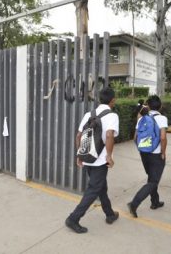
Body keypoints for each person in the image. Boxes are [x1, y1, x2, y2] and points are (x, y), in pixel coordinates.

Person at [65, 87, 120, 234]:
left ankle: (109, 214)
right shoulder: (112, 116)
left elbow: (78, 136)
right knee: (93, 190)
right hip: (100, 161)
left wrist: (80, 155)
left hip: (88, 157)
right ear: (112, 100)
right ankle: (73, 218)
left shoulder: (89, 114)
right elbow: (109, 136)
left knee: (101, 188)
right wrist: (109, 156)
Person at [127, 95, 168, 218]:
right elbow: (163, 137)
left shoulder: (141, 118)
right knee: (153, 181)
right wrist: (163, 152)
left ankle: (155, 202)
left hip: (144, 153)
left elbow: (135, 138)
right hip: (156, 154)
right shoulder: (162, 118)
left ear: (148, 106)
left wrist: (141, 149)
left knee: (151, 178)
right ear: (160, 106)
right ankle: (134, 203)